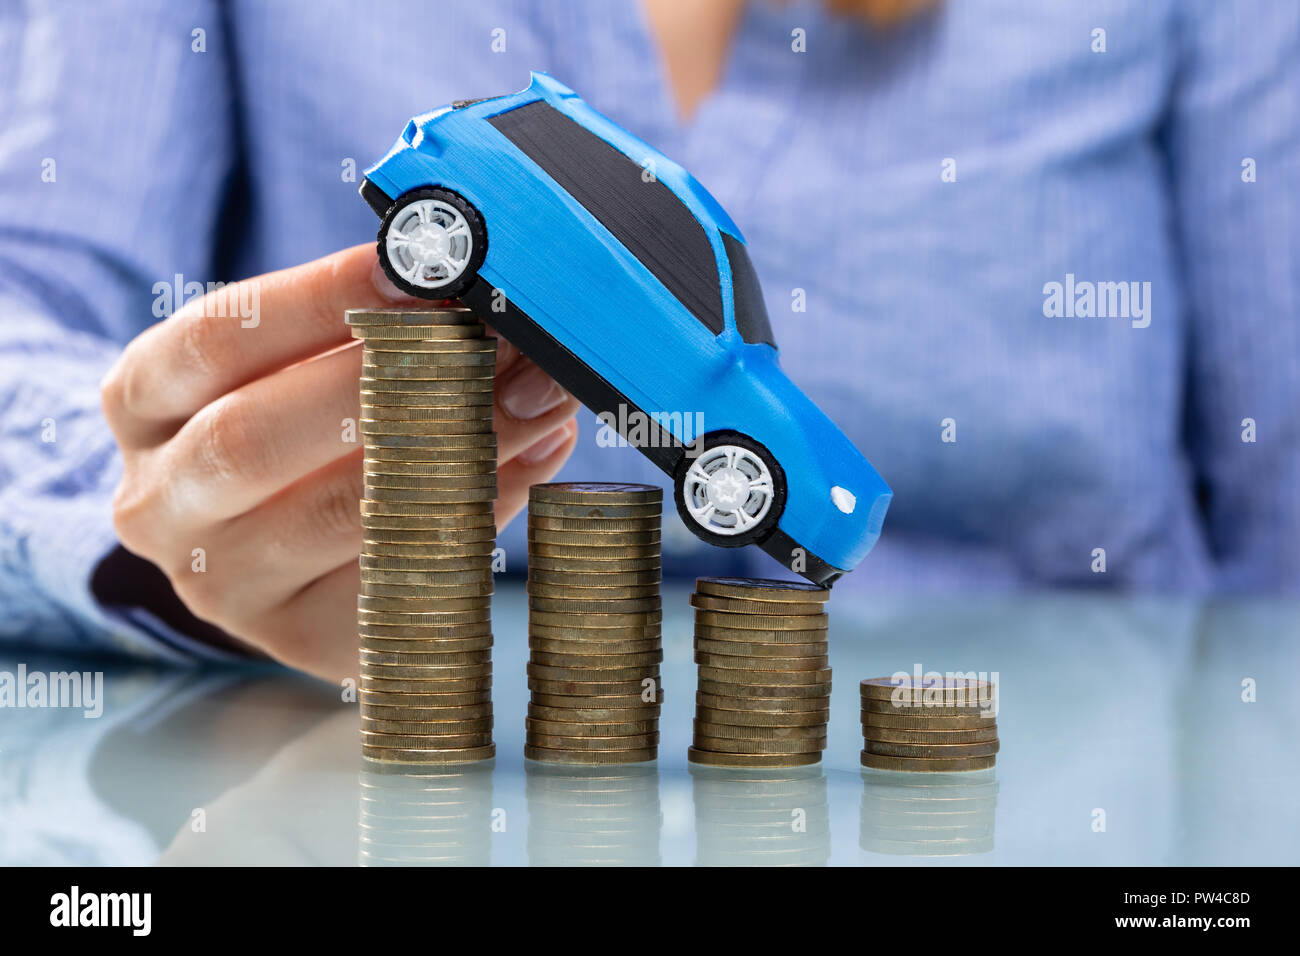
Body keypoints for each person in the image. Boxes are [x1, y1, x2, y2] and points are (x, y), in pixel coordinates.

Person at [1, 0, 1296, 680]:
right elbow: (26, 312)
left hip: (1057, 779)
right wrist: (155, 527)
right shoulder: (500, 182)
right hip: (332, 764)